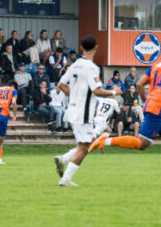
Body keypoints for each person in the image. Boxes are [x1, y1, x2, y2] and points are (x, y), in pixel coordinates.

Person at [88, 41, 161, 186]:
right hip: (158, 109)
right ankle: (105, 141)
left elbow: (139, 84)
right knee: (142, 143)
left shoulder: (157, 65)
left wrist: (147, 101)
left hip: (155, 108)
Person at [51, 36, 120, 186]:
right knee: (86, 146)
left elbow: (60, 84)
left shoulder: (74, 65)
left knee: (86, 144)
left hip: (73, 111)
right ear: (96, 47)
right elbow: (97, 90)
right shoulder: (92, 67)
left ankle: (63, 159)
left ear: (81, 47)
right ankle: (65, 179)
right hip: (84, 113)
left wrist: (74, 96)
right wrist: (113, 93)